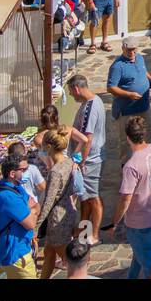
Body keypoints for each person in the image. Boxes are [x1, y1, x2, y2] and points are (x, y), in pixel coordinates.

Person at [110, 115, 151, 280]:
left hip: (137, 221)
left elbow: (125, 199)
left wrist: (115, 222)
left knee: (149, 262)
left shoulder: (131, 166)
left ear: (128, 137)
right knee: (138, 253)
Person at [35, 128, 80, 279]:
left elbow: (48, 201)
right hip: (68, 211)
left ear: (48, 146)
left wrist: (36, 227)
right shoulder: (69, 162)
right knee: (49, 253)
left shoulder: (55, 172)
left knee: (70, 264)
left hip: (57, 220)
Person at [66, 74, 105, 244]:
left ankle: (94, 235)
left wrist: (81, 160)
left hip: (90, 160)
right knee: (86, 199)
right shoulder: (93, 102)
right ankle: (83, 230)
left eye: (71, 92)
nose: (72, 96)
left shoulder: (90, 108)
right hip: (89, 159)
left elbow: (87, 137)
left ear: (76, 89)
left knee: (93, 198)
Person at [107, 36, 151, 160]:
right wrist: (129, 95)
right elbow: (111, 88)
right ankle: (126, 163)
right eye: (129, 50)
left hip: (143, 106)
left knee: (149, 127)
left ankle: (141, 154)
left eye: (134, 49)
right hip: (127, 110)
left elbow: (143, 71)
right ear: (123, 48)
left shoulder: (139, 58)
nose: (132, 53)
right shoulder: (117, 66)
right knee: (125, 138)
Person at [0, 155, 38, 279]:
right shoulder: (8, 196)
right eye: (23, 170)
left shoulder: (17, 189)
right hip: (16, 254)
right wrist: (32, 210)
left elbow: (36, 205)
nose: (27, 172)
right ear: (12, 173)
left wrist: (31, 210)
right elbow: (30, 223)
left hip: (21, 247)